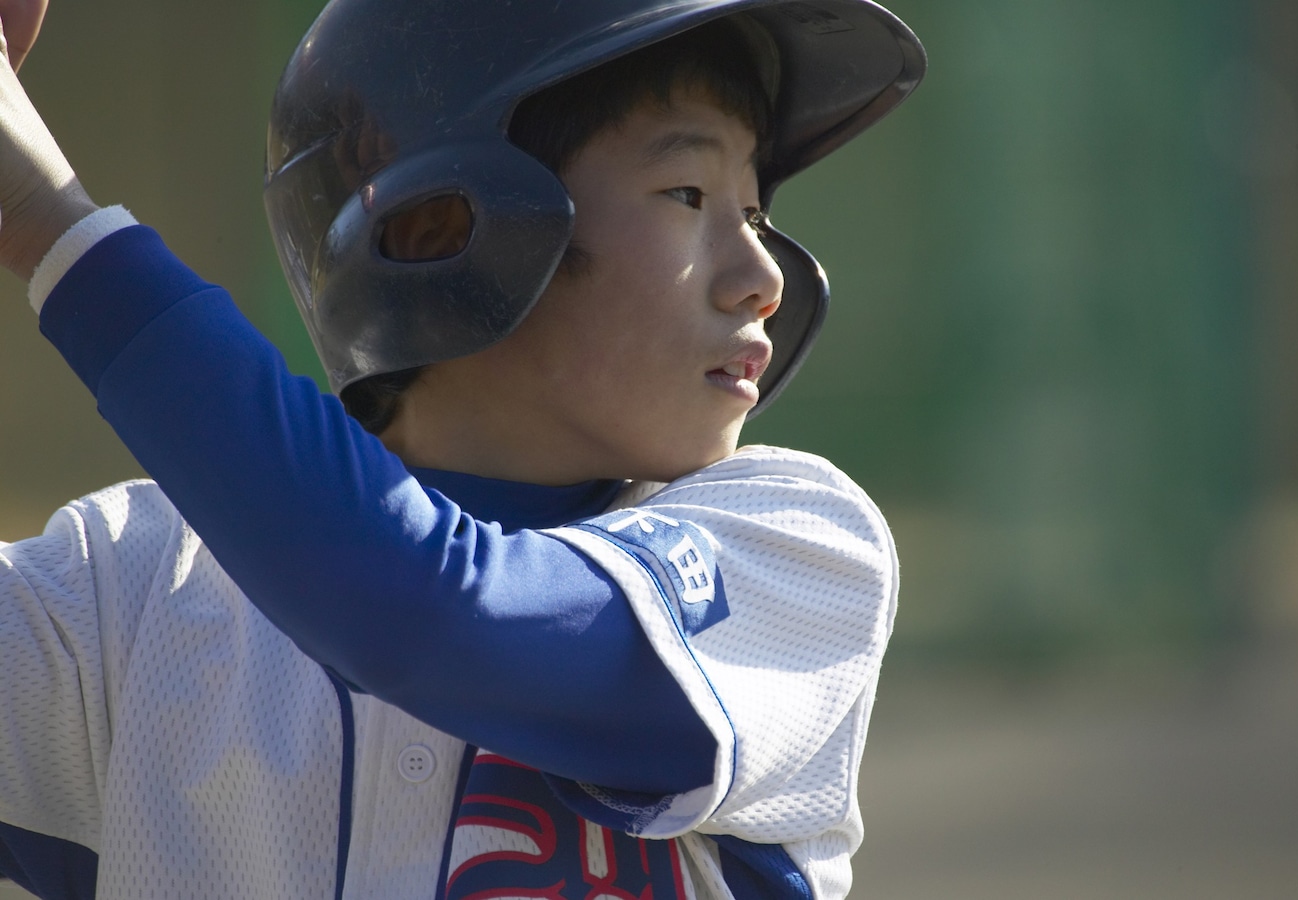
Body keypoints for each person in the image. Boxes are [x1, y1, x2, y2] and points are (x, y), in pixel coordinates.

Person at [0, 0, 925, 897]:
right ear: (442, 227)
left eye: (757, 212)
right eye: (688, 192)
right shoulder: (129, 586)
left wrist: (49, 222)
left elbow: (427, 608)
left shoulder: (798, 551)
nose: (763, 276)